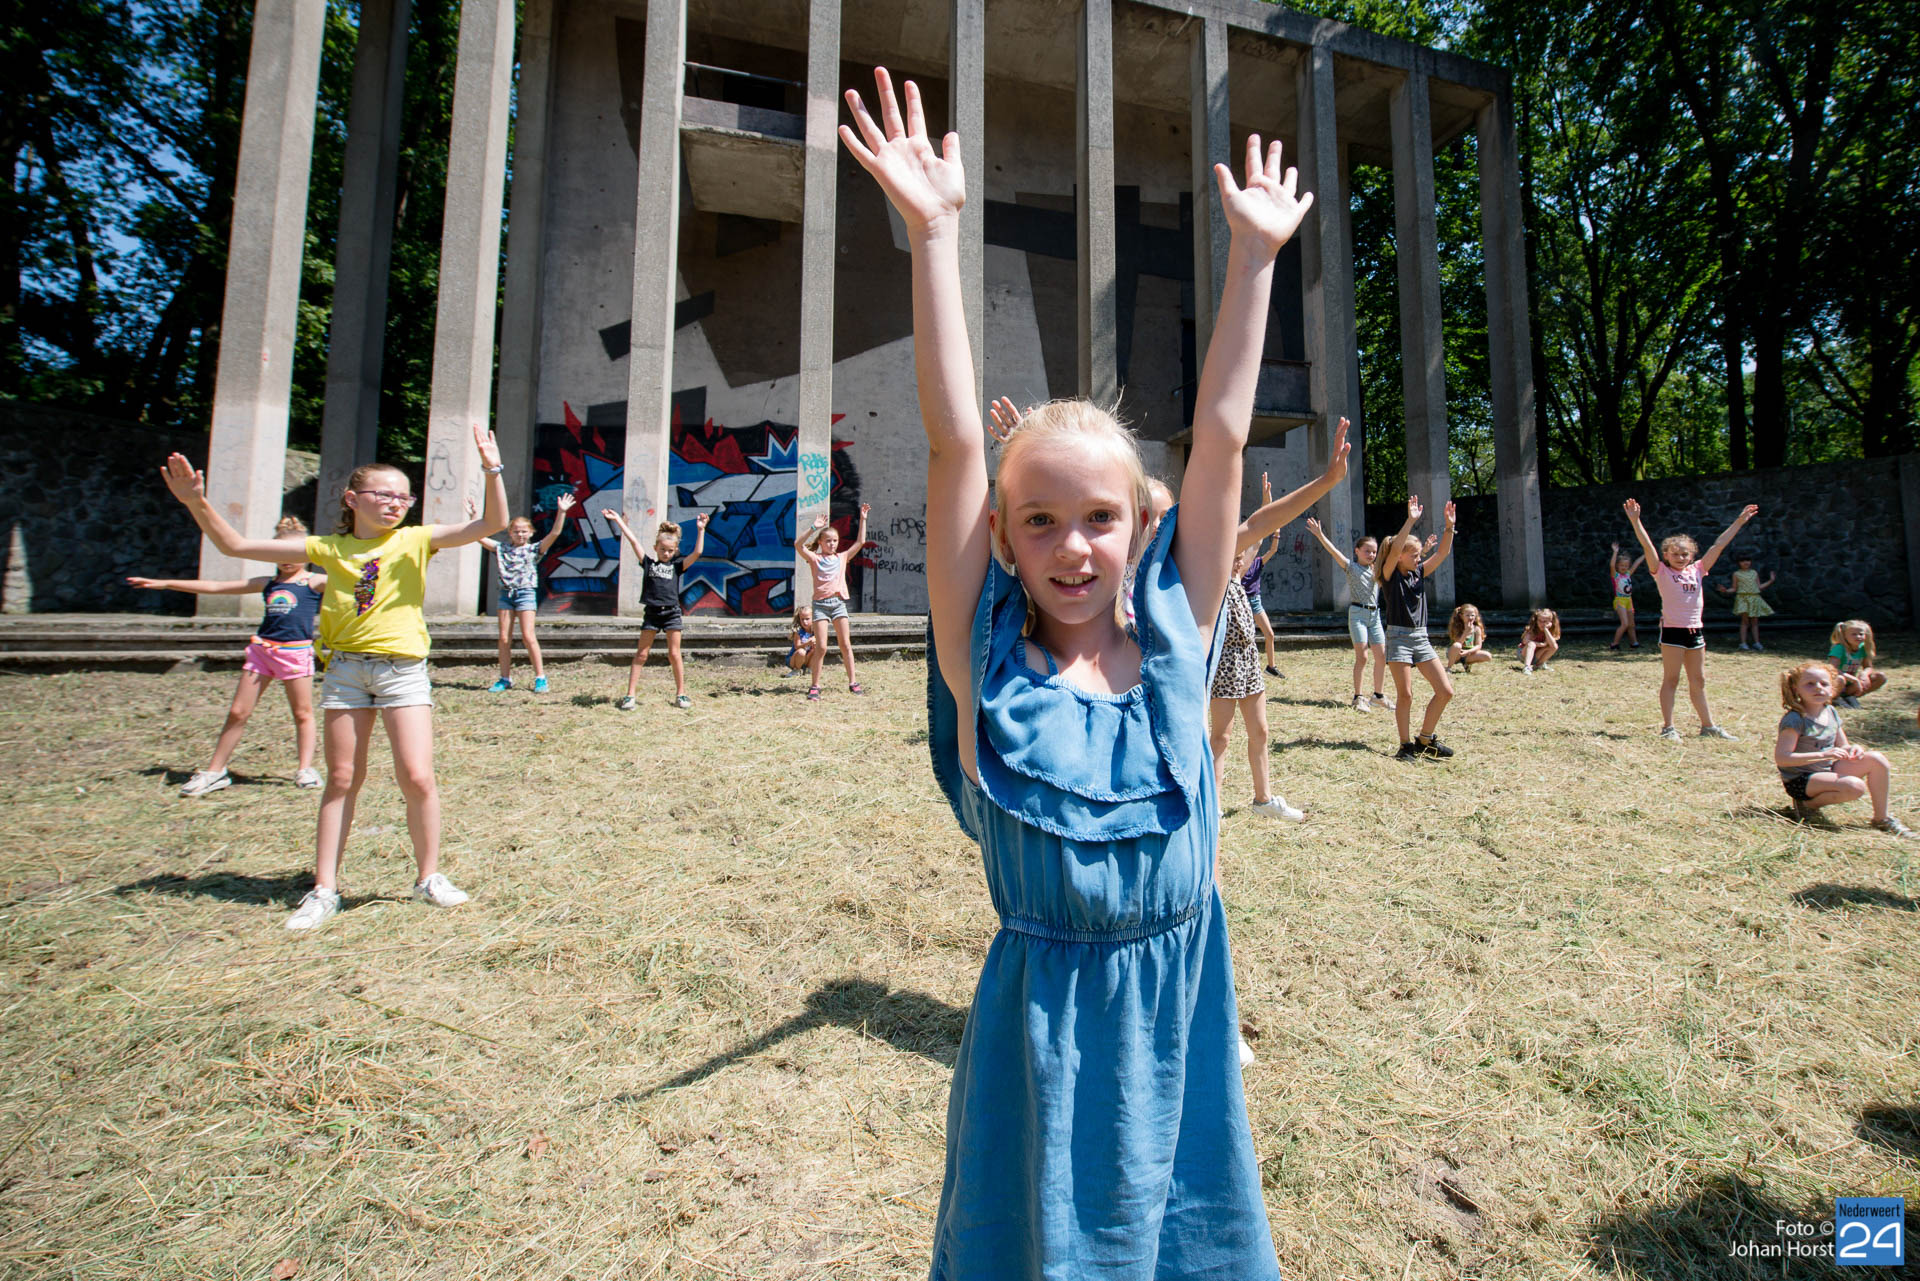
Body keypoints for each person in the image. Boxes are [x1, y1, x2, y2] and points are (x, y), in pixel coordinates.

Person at [842, 65, 1310, 1277]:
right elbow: (956, 441)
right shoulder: (982, 664)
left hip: (1181, 1015)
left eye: (1099, 517)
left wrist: (1254, 261)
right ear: (1001, 539)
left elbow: (1221, 437)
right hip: (1041, 1040)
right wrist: (932, 235)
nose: (1072, 546)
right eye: (1039, 521)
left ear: (1141, 527)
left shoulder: (1179, 632)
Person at [158, 423, 506, 930]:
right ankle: (324, 890)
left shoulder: (415, 540)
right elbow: (233, 545)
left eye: (403, 497)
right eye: (383, 494)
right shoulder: (324, 548)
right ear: (352, 498)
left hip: (402, 672)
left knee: (417, 776)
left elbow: (492, 523)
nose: (395, 504)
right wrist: (196, 502)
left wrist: (492, 468)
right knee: (342, 779)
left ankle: (428, 877)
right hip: (345, 672)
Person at [127, 515, 326, 796]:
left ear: (308, 554)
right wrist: (167, 583)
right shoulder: (267, 582)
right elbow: (216, 587)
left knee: (302, 713)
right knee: (237, 712)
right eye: (278, 552)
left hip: (295, 655)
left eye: (293, 553)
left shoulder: (315, 582)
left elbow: (358, 583)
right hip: (261, 652)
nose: (286, 559)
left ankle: (305, 769)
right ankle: (215, 771)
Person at [1209, 445, 1350, 822]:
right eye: (1235, 554)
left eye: (1241, 557)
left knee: (1260, 731)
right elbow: (1254, 529)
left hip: (1249, 660)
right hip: (1223, 663)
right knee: (1221, 736)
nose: (1240, 558)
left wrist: (1268, 503)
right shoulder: (1212, 576)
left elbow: (1258, 532)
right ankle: (1212, 806)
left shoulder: (1238, 576)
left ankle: (1264, 800)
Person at [1623, 499, 1755, 741]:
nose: (1680, 557)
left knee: (1698, 680)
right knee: (1671, 679)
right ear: (1666, 555)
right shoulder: (1661, 571)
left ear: (1692, 555)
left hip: (1696, 631)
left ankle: (1708, 726)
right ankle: (1668, 728)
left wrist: (1739, 521)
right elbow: (1647, 545)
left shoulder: (1698, 569)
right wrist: (1635, 520)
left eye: (1685, 554)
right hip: (1673, 631)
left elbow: (1719, 544)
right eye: (1675, 554)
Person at [1774, 660, 1914, 836]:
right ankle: (1806, 805)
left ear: (1832, 688)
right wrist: (1823, 755)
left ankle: (1882, 818)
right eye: (1810, 684)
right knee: (1855, 787)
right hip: (1801, 780)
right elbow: (1783, 758)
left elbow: (1844, 745)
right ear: (1796, 688)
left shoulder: (1830, 711)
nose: (1818, 688)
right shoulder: (1795, 719)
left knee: (1877, 759)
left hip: (1826, 769)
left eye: (1824, 683)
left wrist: (1853, 749)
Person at [1377, 495, 1457, 760]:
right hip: (1398, 637)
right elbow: (1395, 549)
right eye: (1414, 554)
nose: (1419, 558)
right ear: (1399, 556)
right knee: (1406, 695)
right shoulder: (1389, 576)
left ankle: (1424, 740)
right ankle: (1404, 746)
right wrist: (1410, 521)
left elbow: (1442, 553)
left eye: (1419, 554)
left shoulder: (1418, 573)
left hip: (1421, 638)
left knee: (1445, 691)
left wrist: (1449, 527)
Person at [603, 510, 708, 709]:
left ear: (675, 550)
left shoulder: (677, 566)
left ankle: (681, 694)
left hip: (672, 613)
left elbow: (697, 553)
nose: (666, 553)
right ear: (655, 548)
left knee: (674, 654)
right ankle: (630, 695)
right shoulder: (648, 563)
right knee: (642, 654)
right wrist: (618, 520)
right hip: (652, 613)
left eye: (670, 550)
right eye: (662, 549)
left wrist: (701, 530)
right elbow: (633, 541)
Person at [472, 492, 576, 693]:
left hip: (525, 594)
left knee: (528, 636)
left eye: (524, 531)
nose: (520, 535)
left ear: (530, 533)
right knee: (504, 638)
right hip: (506, 595)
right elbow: (478, 537)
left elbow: (554, 533)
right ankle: (505, 678)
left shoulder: (534, 549)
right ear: (510, 533)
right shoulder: (501, 548)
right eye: (516, 531)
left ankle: (540, 678)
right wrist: (474, 517)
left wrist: (562, 512)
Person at [1304, 517, 1390, 712]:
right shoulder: (1351, 567)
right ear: (1357, 551)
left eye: (1374, 552)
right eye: (1367, 551)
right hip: (1358, 614)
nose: (1371, 554)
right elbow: (1333, 551)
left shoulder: (1377, 570)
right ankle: (1358, 697)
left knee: (1381, 656)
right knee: (1363, 657)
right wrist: (1320, 535)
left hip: (1375, 615)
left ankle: (1378, 696)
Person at [794, 505, 872, 700]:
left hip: (838, 604)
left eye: (835, 541)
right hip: (820, 606)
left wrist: (863, 519)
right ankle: (815, 686)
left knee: (845, 644)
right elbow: (798, 545)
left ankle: (853, 682)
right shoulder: (815, 558)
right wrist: (814, 527)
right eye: (828, 540)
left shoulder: (842, 557)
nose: (832, 544)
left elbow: (860, 542)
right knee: (821, 647)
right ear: (820, 542)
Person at [1241, 474, 1284, 677]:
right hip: (1241, 602)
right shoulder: (1236, 565)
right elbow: (1256, 532)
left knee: (1269, 634)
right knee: (1246, 638)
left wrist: (1276, 529)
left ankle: (1271, 667)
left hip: (1255, 601)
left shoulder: (1257, 561)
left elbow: (1270, 546)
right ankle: (1248, 669)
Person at [1716, 553, 1776, 651]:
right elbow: (1734, 588)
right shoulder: (1736, 574)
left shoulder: (1754, 573)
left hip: (1754, 598)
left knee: (1755, 622)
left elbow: (1759, 587)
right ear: (1739, 563)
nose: (1745, 562)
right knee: (1745, 622)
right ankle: (1743, 643)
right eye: (1742, 561)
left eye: (1747, 560)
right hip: (1743, 599)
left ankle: (1757, 643)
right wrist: (1725, 590)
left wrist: (1771, 580)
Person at [1827, 619, 1885, 708]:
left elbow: (1868, 667)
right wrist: (1854, 679)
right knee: (1840, 679)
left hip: (1850, 685)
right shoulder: (1839, 648)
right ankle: (1835, 698)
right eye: (1853, 634)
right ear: (1844, 635)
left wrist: (1864, 674)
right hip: (1836, 683)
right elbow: (1832, 669)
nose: (1858, 636)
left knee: (1880, 677)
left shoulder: (1863, 648)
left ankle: (1850, 696)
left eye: (1861, 634)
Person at [1606, 541, 1645, 651]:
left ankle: (1634, 643)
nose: (1624, 567)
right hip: (1620, 601)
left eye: (1626, 566)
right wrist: (1615, 552)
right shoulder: (1615, 575)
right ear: (1618, 566)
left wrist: (1646, 553)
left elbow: (1636, 563)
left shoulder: (1628, 574)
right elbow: (1611, 565)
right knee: (1625, 623)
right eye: (1622, 565)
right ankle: (1614, 644)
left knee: (1631, 624)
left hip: (1629, 600)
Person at [1445, 603, 1493, 672]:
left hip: (1468, 653)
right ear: (1461, 616)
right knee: (1457, 645)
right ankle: (1449, 667)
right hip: (1455, 654)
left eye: (1472, 615)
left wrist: (1468, 652)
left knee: (1487, 656)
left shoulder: (1477, 629)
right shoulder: (1457, 627)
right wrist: (1466, 632)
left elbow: (1478, 646)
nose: (1470, 618)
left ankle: (1466, 663)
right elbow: (1459, 643)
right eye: (1467, 615)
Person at [1517, 607, 1561, 673]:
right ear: (1536, 620)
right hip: (1524, 654)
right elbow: (1525, 641)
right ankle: (1527, 667)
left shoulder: (1551, 630)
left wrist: (1546, 630)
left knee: (1555, 646)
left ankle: (1539, 665)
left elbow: (1552, 645)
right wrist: (1542, 645)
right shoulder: (1532, 629)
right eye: (1539, 621)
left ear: (1550, 622)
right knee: (1531, 644)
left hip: (1537, 655)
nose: (1542, 624)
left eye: (1545, 621)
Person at [784, 603, 818, 675]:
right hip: (794, 659)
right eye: (802, 619)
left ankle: (809, 669)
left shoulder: (815, 632)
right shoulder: (798, 632)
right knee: (801, 652)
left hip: (806, 658)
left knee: (817, 649)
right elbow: (797, 647)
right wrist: (808, 643)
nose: (805, 622)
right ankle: (796, 670)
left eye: (807, 619)